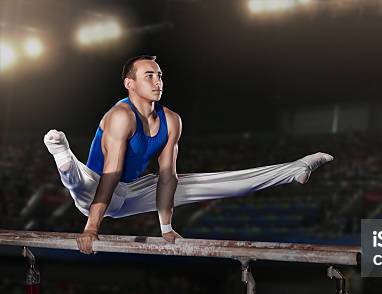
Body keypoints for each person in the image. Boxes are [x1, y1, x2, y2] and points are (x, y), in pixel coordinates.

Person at [44, 55, 333, 254]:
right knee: (80, 182)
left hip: (130, 190)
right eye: (149, 76)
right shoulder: (121, 116)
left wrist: (166, 228)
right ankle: (64, 157)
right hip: (98, 186)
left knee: (198, 182)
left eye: (159, 75)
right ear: (129, 84)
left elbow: (167, 178)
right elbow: (111, 173)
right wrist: (91, 228)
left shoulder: (171, 120)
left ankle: (294, 169)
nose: (158, 81)